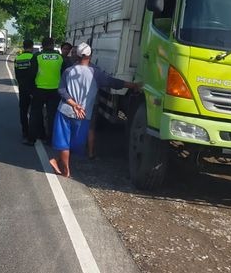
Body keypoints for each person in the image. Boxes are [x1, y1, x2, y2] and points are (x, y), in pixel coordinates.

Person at [48, 42, 140, 178]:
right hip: (84, 114)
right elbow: (114, 82)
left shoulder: (68, 71)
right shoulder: (96, 73)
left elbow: (61, 90)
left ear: (77, 55)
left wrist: (74, 104)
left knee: (64, 142)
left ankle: (64, 166)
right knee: (75, 142)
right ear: (90, 56)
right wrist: (132, 85)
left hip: (65, 111)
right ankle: (62, 164)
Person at [24, 37, 63, 145]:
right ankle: (50, 140)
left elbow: (31, 75)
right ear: (53, 45)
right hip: (55, 90)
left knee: (35, 114)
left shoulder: (37, 56)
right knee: (52, 116)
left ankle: (31, 139)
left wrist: (31, 90)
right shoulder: (60, 57)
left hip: (39, 89)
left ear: (42, 45)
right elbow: (64, 74)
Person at [14, 39, 35, 139]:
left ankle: (25, 132)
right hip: (34, 88)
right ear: (32, 47)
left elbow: (17, 75)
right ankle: (33, 132)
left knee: (23, 111)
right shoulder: (34, 57)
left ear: (23, 46)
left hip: (22, 88)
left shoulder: (18, 58)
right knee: (34, 111)